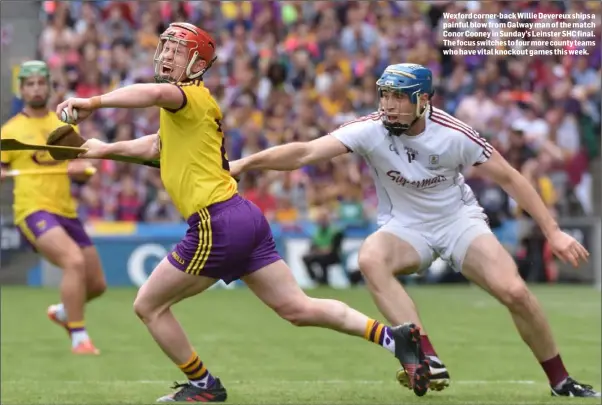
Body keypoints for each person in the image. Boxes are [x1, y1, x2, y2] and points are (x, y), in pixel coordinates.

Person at [56, 24, 430, 402]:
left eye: (177, 52)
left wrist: (93, 102)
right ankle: (395, 338)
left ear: (197, 64)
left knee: (149, 306)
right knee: (297, 308)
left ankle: (204, 386)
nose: (167, 56)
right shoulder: (187, 110)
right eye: (165, 48)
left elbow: (153, 93)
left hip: (215, 222)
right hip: (243, 216)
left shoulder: (183, 96)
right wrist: (98, 149)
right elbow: (154, 146)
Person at [229, 63, 600, 398]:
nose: (388, 105)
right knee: (371, 258)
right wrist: (245, 163)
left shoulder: (455, 134)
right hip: (405, 227)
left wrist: (553, 232)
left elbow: (510, 178)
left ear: (423, 100)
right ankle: (424, 355)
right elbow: (305, 152)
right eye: (385, 95)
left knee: (515, 292)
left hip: (458, 221)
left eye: (398, 98)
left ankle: (560, 381)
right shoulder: (370, 129)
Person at [0, 60, 105, 355]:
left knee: (96, 285)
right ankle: (79, 338)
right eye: (29, 84)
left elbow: (79, 164)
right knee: (73, 262)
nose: (36, 88)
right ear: (21, 90)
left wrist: (81, 170)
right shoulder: (10, 131)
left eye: (40, 83)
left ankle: (62, 312)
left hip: (65, 210)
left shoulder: (63, 127)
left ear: (48, 87)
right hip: (32, 210)